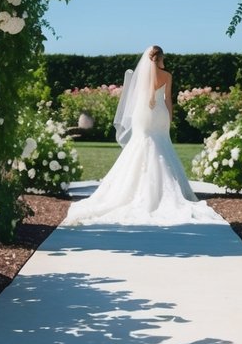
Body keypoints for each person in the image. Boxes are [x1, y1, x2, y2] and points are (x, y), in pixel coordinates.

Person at [61, 45, 224, 226]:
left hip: (143, 113)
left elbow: (136, 99)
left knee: (140, 145)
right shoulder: (167, 75)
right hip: (160, 113)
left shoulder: (141, 76)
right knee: (162, 145)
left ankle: (132, 189)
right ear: (160, 58)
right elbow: (167, 99)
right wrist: (169, 117)